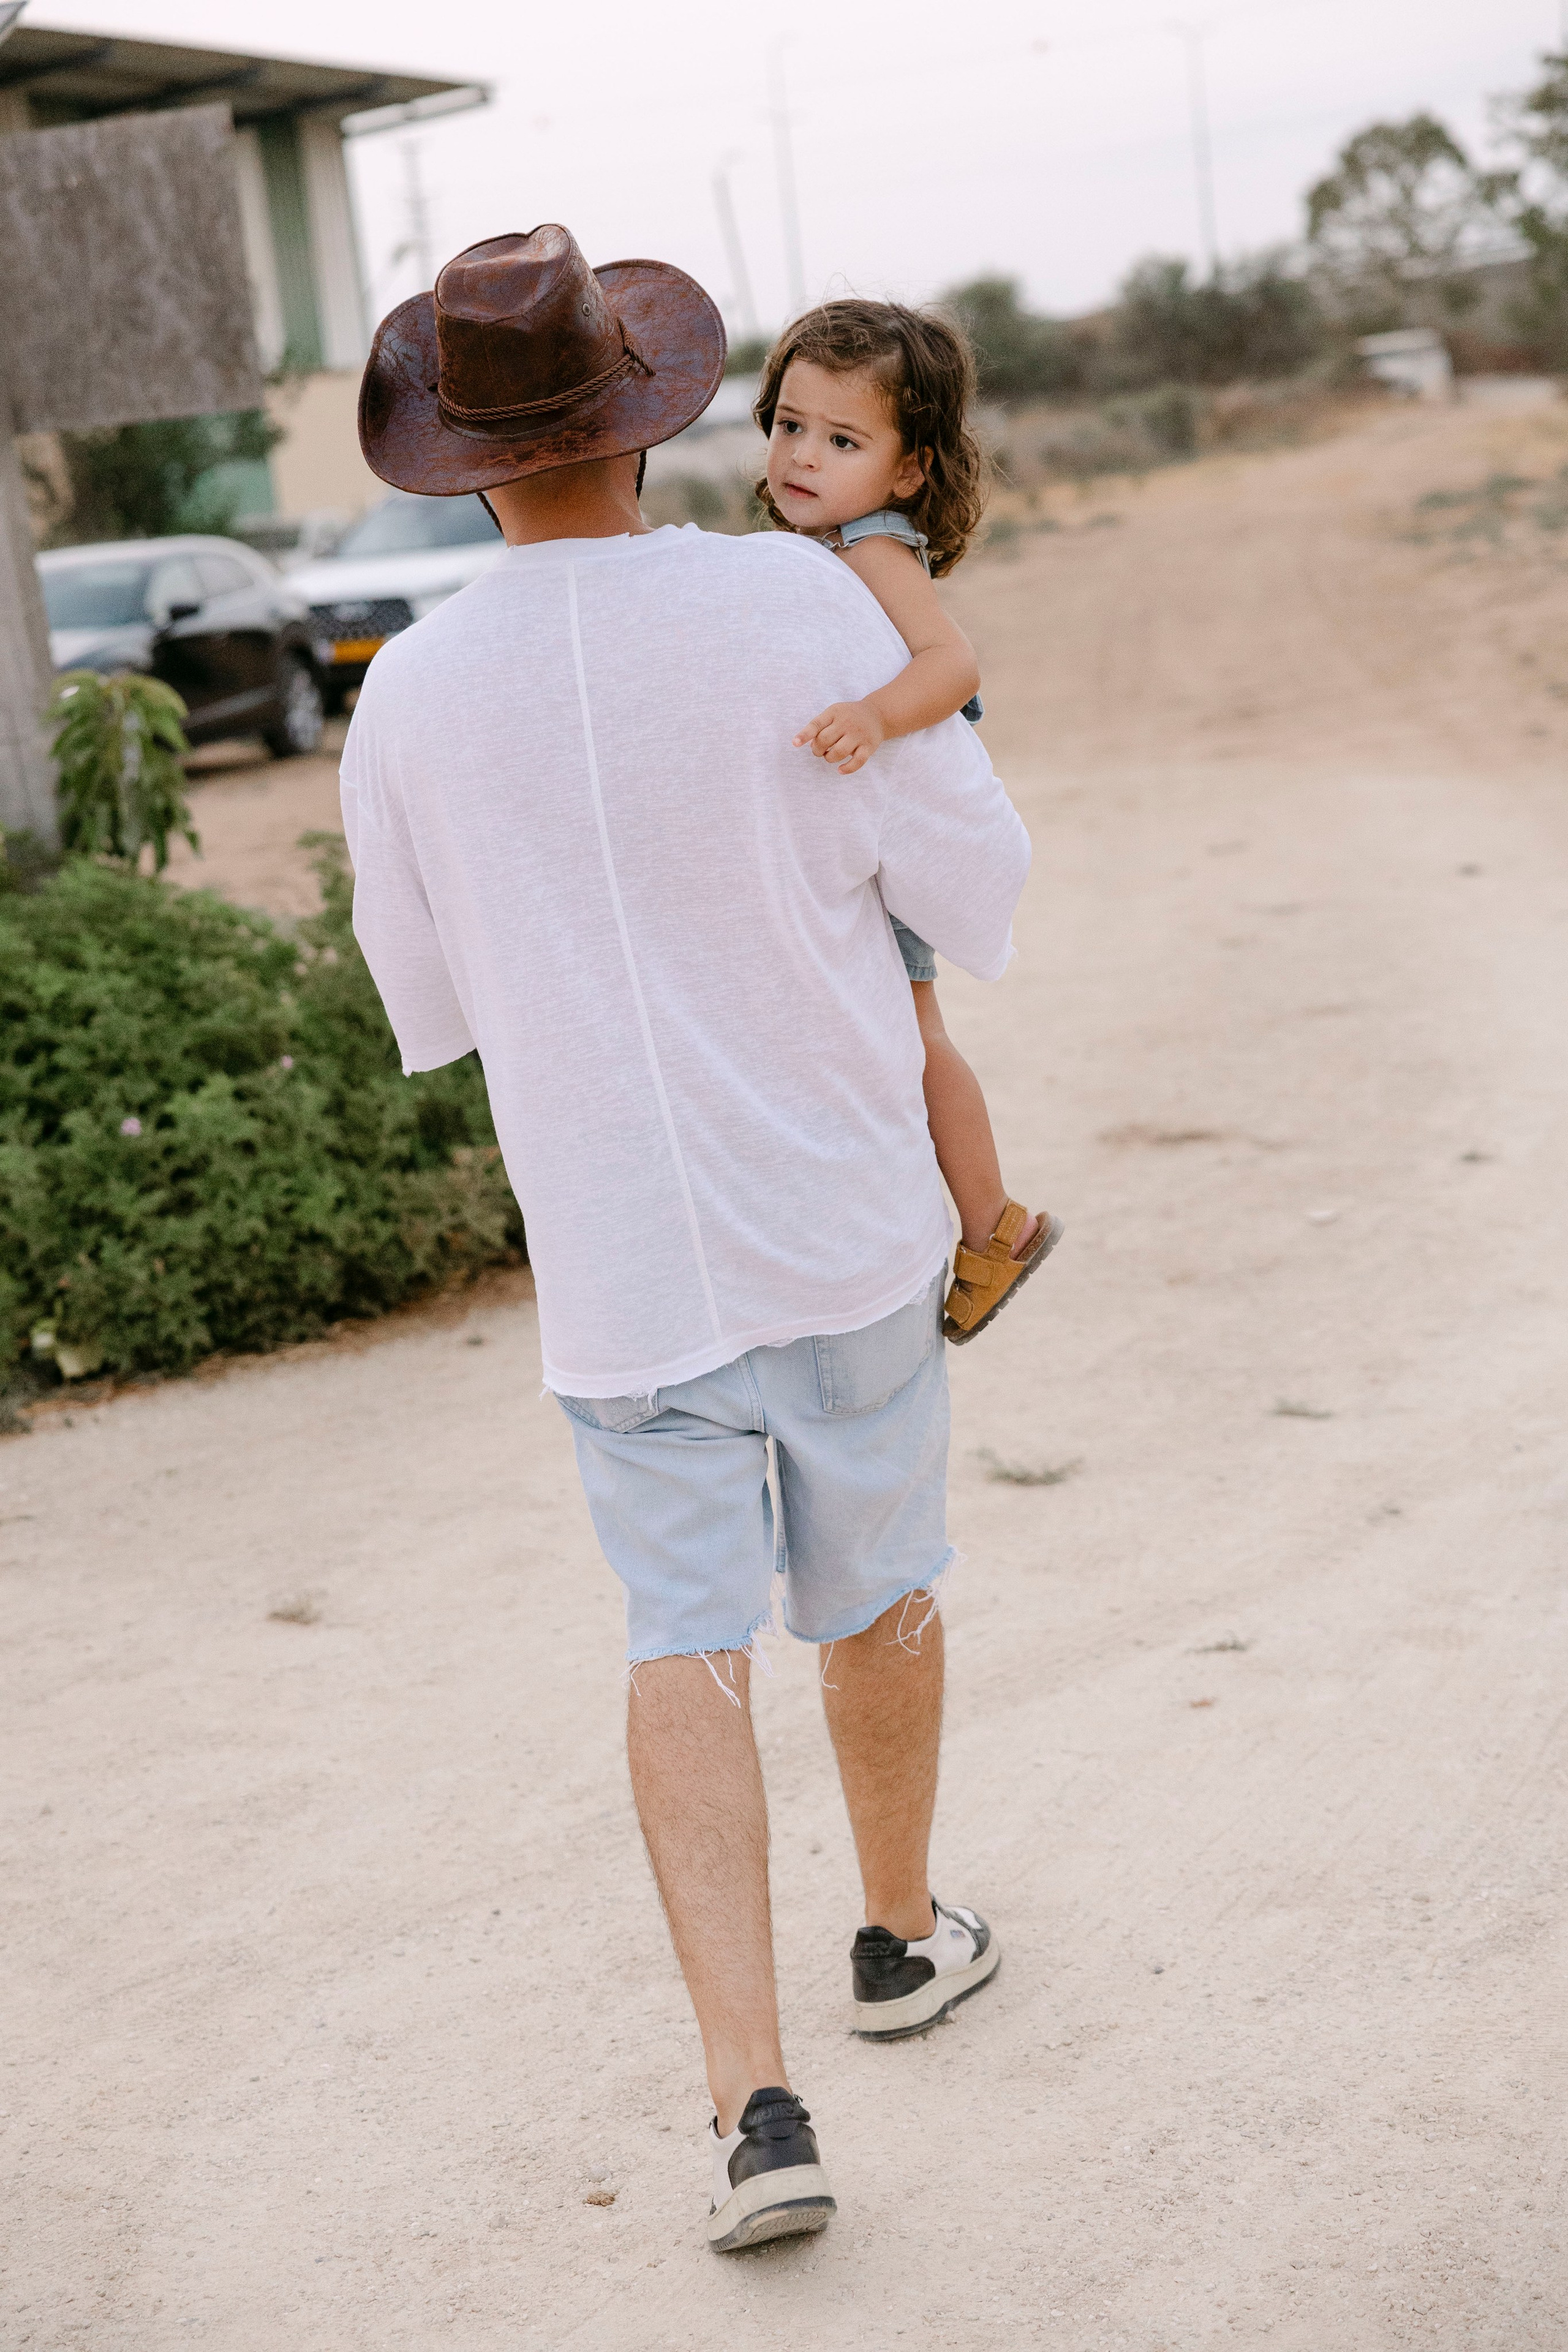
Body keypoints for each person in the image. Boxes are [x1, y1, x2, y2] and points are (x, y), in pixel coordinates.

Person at [341, 225, 1031, 2253]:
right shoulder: (794, 607)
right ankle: (899, 1939)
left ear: (467, 461)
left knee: (681, 1636)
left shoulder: (410, 700)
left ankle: (756, 2110)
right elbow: (969, 872)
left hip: (626, 1264)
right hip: (835, 1210)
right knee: (881, 1575)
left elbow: (432, 1004)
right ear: (655, 423)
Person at [756, 297, 1063, 1343]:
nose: (801, 456)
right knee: (896, 1038)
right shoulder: (828, 543)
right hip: (875, 841)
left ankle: (994, 1224)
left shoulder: (874, 550)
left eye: (842, 440)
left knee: (919, 1041)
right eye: (790, 425)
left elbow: (955, 665)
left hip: (892, 846)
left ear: (907, 471)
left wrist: (873, 717)